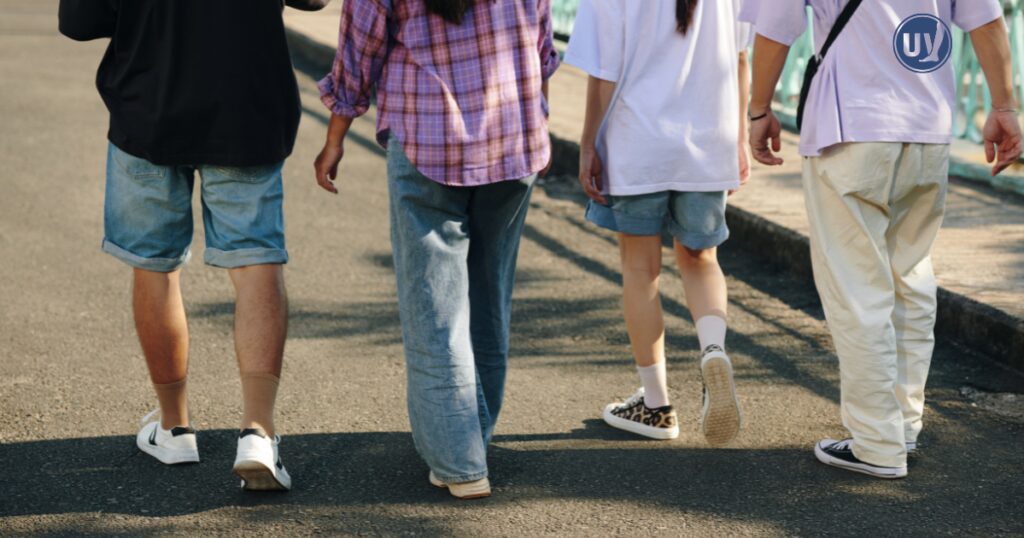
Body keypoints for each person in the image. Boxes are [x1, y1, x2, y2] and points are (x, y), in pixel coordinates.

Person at [57, 0, 329, 491]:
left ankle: (174, 427)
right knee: (256, 261)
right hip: (248, 106)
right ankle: (259, 436)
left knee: (155, 266)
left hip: (149, 107)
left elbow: (78, 23)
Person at [744, 0, 1021, 478]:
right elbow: (988, 18)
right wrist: (1003, 106)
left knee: (858, 288)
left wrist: (759, 109)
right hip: (927, 127)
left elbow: (776, 26)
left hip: (851, 125)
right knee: (910, 280)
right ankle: (903, 426)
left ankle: (876, 443)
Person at [314, 0, 559, 499]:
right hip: (513, 140)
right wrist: (538, 120)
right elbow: (541, 46)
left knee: (435, 309)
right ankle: (471, 441)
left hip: (429, 141)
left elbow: (359, 54)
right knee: (490, 298)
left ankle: (460, 461)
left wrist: (336, 137)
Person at [564, 0, 751, 446]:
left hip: (638, 140)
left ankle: (656, 405)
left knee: (640, 269)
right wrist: (739, 137)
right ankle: (713, 350)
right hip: (710, 139)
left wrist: (588, 142)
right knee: (702, 259)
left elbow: (603, 72)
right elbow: (741, 58)